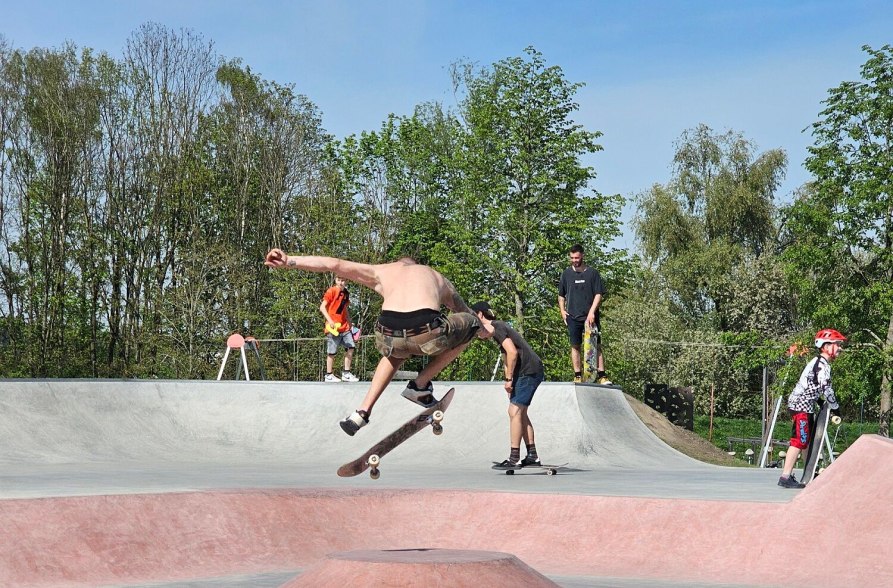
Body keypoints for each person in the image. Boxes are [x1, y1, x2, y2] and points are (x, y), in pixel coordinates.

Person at [264, 249, 480, 435]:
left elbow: (334, 264)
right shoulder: (434, 275)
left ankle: (362, 413)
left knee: (394, 354)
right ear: (416, 264)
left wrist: (290, 260)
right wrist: (485, 327)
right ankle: (420, 385)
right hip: (426, 333)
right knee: (472, 326)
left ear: (398, 263)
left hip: (387, 334)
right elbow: (460, 308)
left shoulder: (381, 271)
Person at [472, 301, 545, 468]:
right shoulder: (500, 330)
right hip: (525, 371)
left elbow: (512, 352)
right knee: (521, 413)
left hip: (529, 370)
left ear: (481, 315)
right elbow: (507, 357)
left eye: (478, 329)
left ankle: (514, 458)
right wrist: (509, 381)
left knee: (514, 411)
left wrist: (509, 379)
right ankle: (532, 456)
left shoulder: (497, 327)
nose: (478, 334)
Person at [777, 328, 846, 489]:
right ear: (826, 346)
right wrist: (835, 407)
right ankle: (785, 477)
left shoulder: (819, 363)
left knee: (807, 441)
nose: (840, 348)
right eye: (836, 344)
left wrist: (820, 401)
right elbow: (826, 387)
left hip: (806, 406)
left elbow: (814, 387)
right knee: (799, 441)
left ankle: (809, 472)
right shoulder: (821, 365)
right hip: (801, 407)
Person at [558, 243, 611, 384]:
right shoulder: (566, 274)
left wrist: (591, 312)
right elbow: (561, 295)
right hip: (573, 316)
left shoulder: (592, 273)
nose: (574, 260)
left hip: (590, 317)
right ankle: (577, 375)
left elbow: (598, 294)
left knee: (595, 345)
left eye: (576, 257)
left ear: (582, 256)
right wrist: (562, 311)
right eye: (572, 258)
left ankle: (602, 376)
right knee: (575, 345)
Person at [320, 276, 359, 382]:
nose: (341, 283)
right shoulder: (331, 291)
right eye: (339, 280)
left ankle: (346, 373)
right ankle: (329, 374)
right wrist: (330, 321)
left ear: (346, 281)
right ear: (335, 280)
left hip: (344, 326)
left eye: (343, 280)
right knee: (332, 352)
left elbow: (345, 309)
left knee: (351, 347)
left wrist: (350, 323)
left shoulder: (346, 293)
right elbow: (322, 307)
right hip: (333, 327)